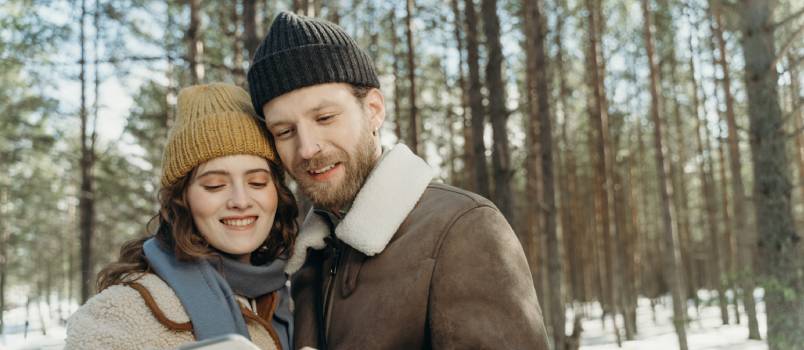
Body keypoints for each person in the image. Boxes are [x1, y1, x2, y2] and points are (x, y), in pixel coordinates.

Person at [247, 12, 550, 350]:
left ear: (374, 109)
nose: (306, 148)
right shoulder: (305, 259)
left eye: (325, 117)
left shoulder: (464, 229)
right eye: (284, 131)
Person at [65, 83, 298, 350]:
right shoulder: (121, 314)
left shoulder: (292, 299)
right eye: (214, 185)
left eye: (257, 182)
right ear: (181, 199)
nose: (241, 201)